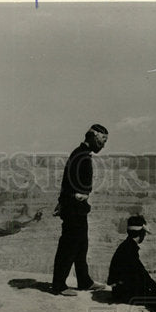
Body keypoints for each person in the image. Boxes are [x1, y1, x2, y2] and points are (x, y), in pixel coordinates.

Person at [51, 124, 109, 296]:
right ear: (92, 137)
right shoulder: (80, 155)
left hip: (77, 208)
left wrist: (63, 200)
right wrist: (77, 196)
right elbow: (70, 184)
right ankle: (58, 285)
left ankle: (84, 281)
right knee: (69, 246)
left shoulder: (79, 153)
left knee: (81, 245)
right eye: (102, 141)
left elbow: (65, 181)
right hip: (74, 209)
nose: (103, 145)